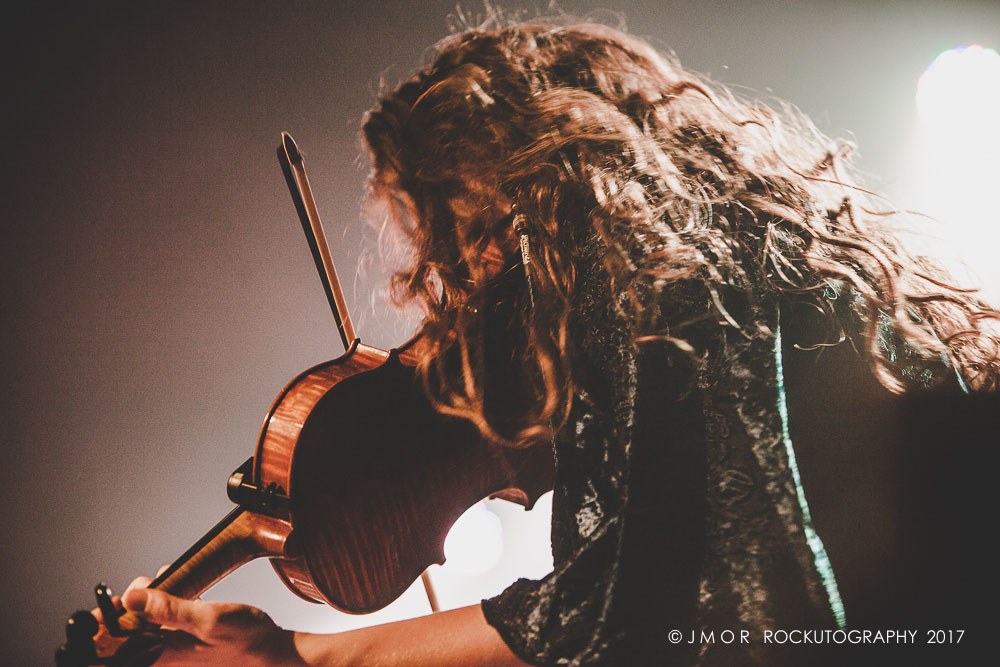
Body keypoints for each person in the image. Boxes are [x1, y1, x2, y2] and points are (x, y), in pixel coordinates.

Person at [102, 19, 999, 666]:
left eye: (470, 242)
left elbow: (605, 621)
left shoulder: (662, 290)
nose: (466, 296)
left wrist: (301, 655)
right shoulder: (733, 271)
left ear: (545, 182)